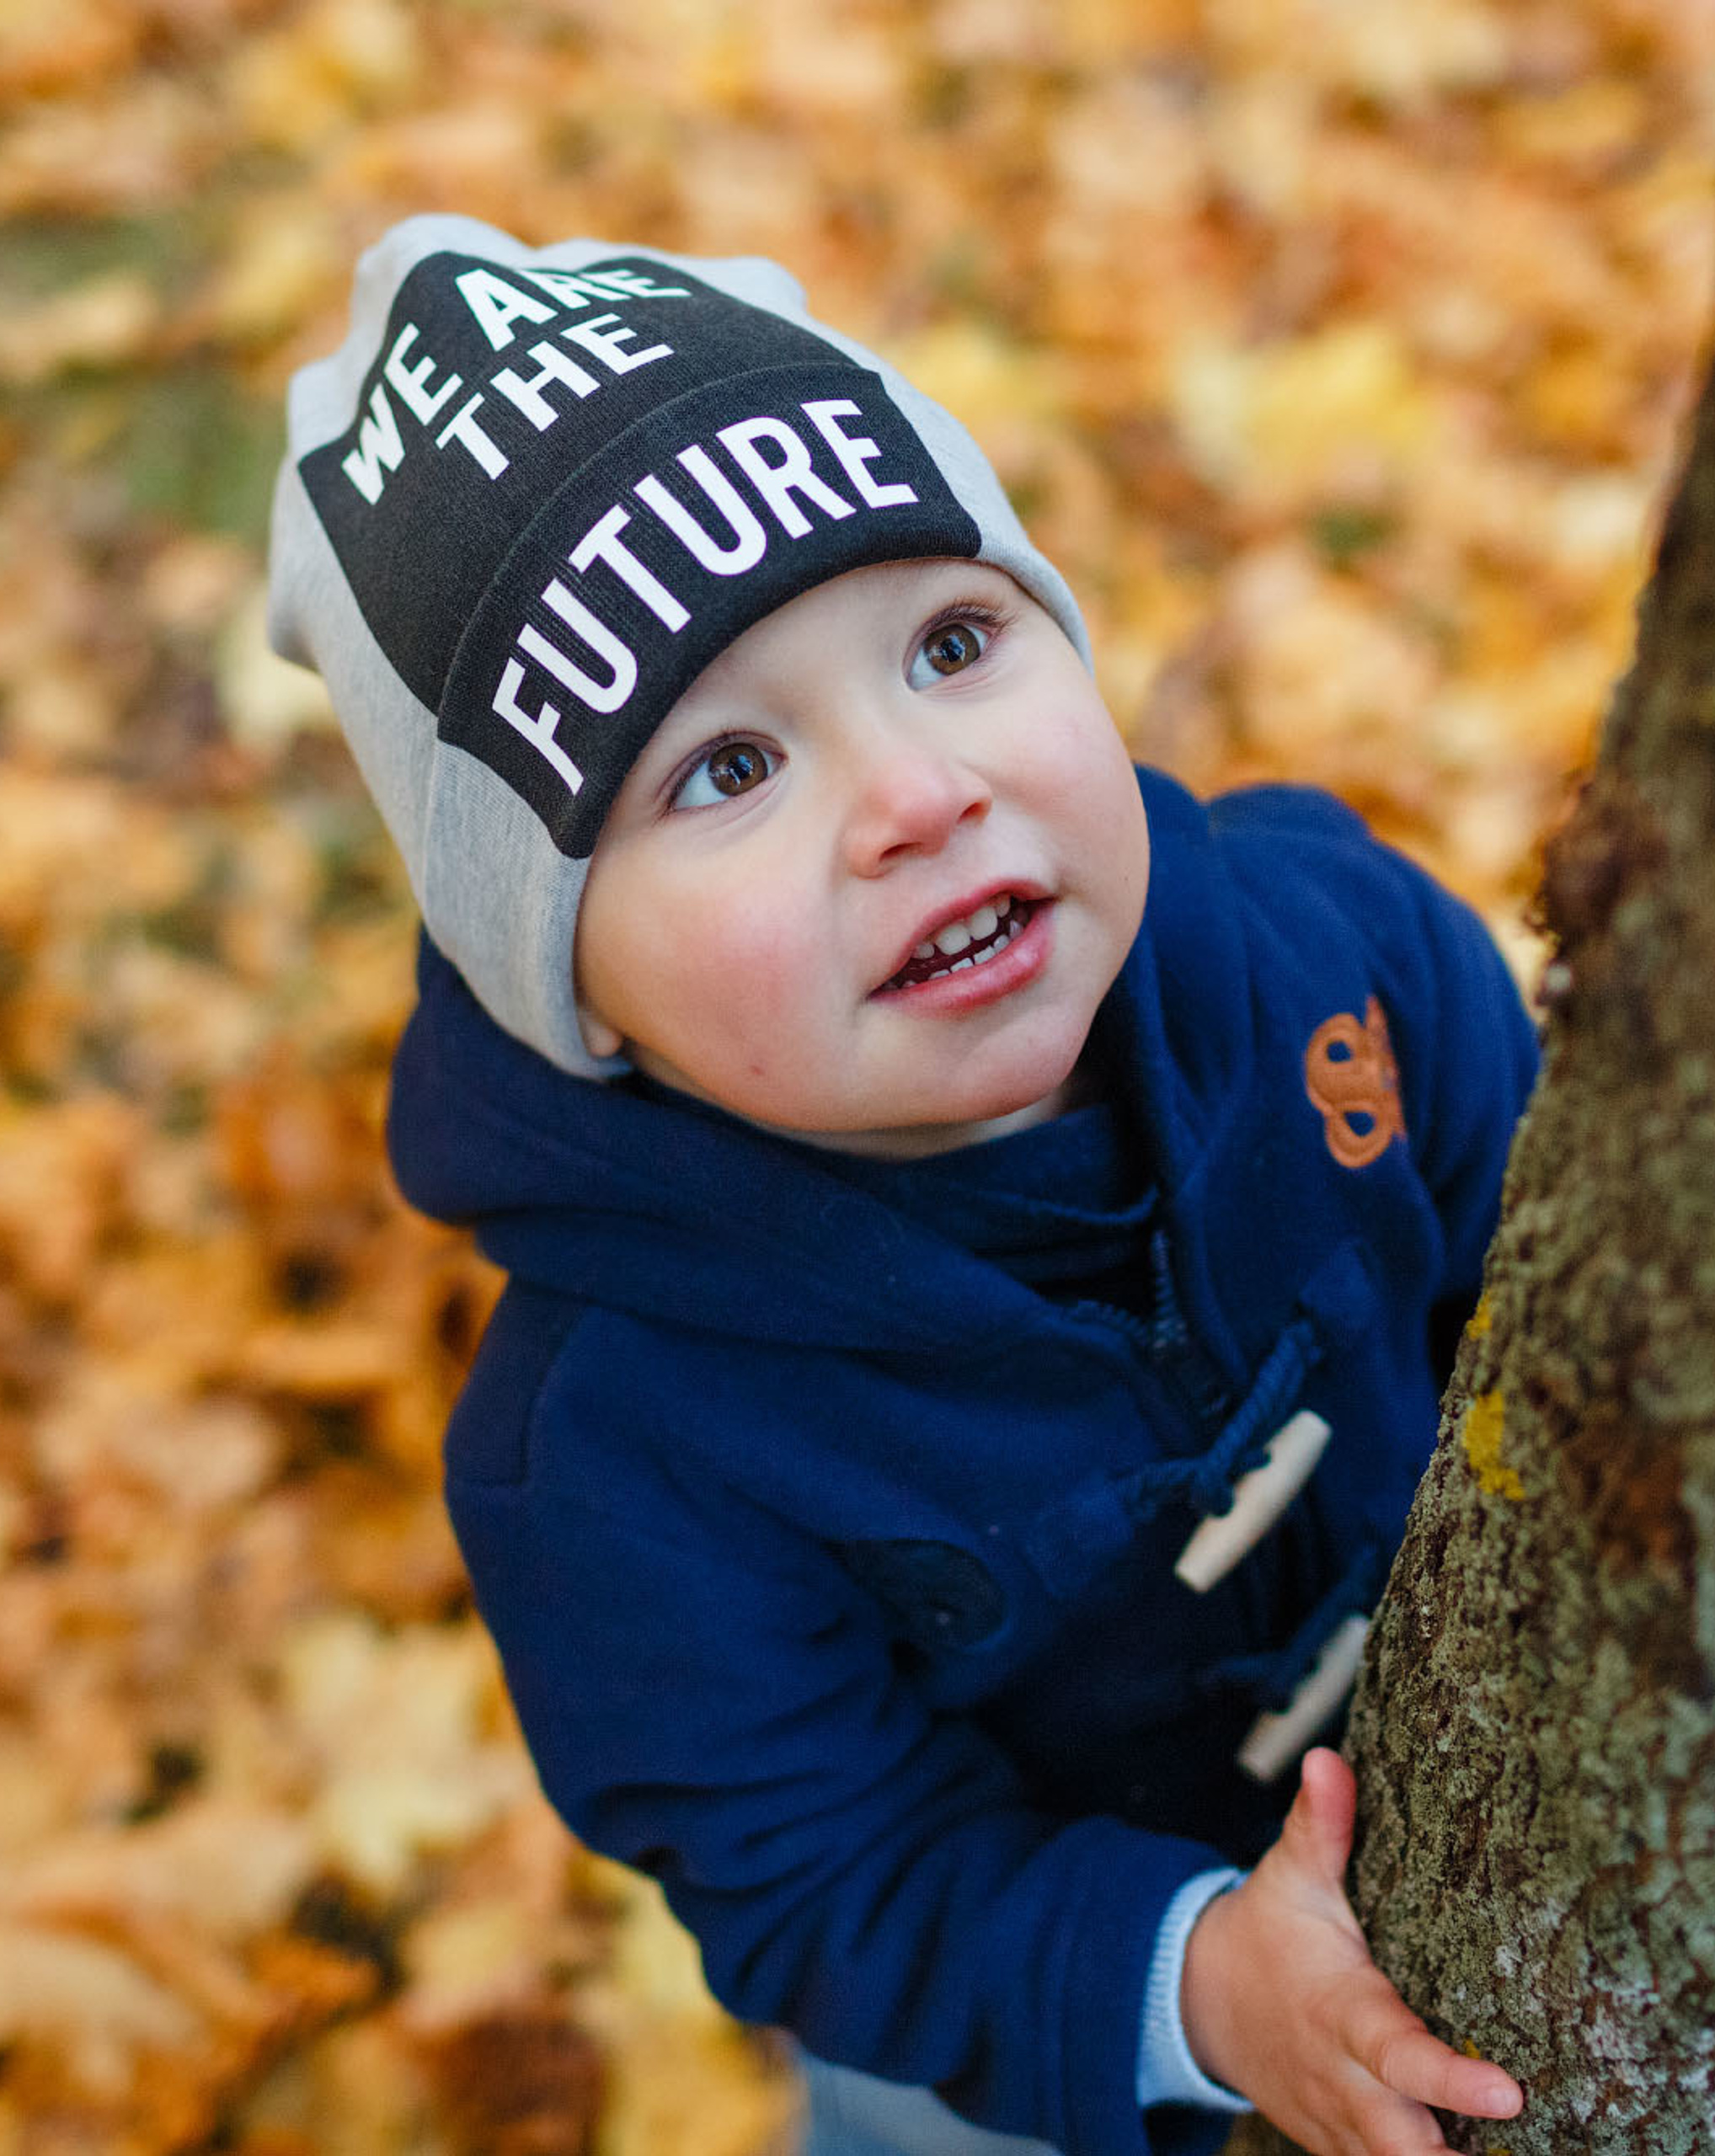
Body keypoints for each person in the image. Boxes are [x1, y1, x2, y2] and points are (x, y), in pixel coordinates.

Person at [267, 214, 1540, 2156]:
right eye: (724, 768)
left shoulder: (1334, 950)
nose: (916, 793)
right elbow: (825, 1868)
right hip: (1031, 2019)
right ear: (571, 986)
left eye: (951, 643)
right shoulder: (616, 1449)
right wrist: (1186, 1983)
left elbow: (1544, 1260)